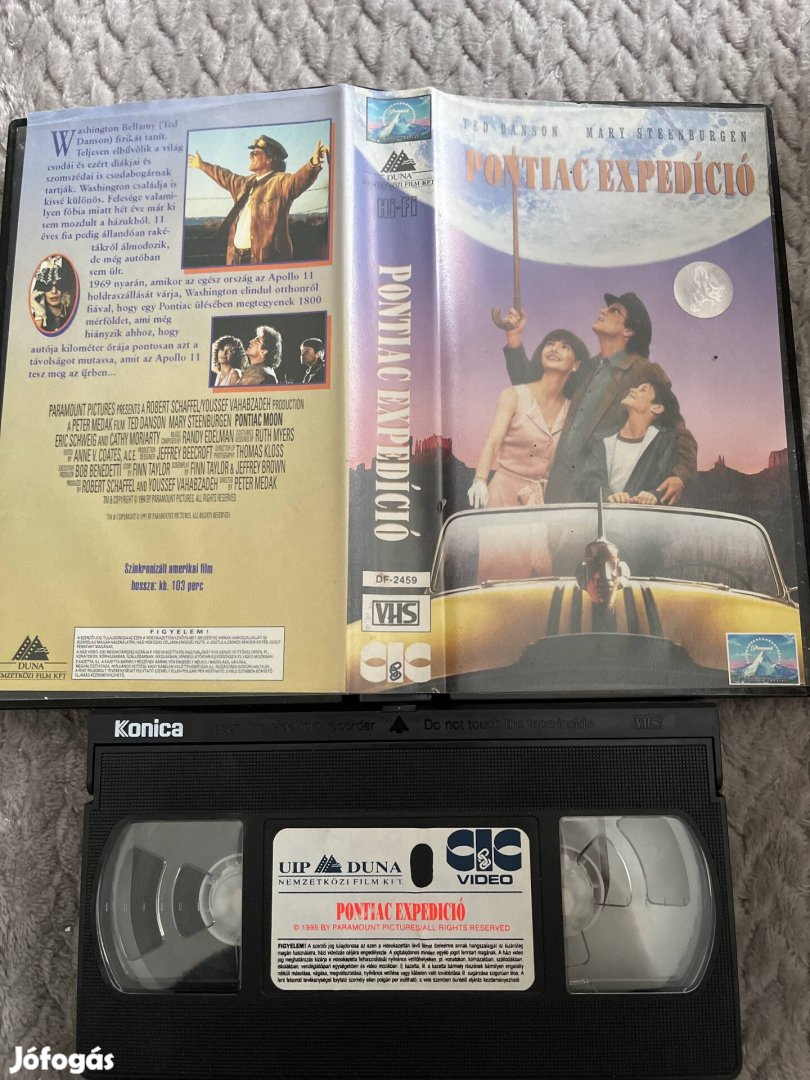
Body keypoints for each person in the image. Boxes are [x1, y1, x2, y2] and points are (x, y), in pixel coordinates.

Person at [500, 292, 697, 504]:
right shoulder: (585, 367)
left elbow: (678, 431)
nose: (602, 311)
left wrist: (680, 475)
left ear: (629, 330)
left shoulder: (644, 371)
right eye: (606, 308)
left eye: (614, 311)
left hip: (601, 499)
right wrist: (514, 337)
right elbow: (531, 388)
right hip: (557, 492)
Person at [468, 329, 590, 508]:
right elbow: (493, 441)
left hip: (542, 503)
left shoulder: (572, 410)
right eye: (550, 344)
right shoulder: (513, 395)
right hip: (501, 498)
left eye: (565, 347)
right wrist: (480, 479)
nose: (555, 349)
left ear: (576, 365)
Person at [187, 134, 328, 265]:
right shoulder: (244, 183)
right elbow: (225, 175)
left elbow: (298, 180)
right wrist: (202, 165)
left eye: (255, 153)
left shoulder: (281, 182)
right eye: (251, 154)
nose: (250, 157)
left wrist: (313, 164)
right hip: (235, 259)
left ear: (269, 159)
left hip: (264, 260)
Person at [579, 378, 680, 503]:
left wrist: (652, 495)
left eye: (643, 390)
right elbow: (589, 480)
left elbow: (665, 484)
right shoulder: (602, 440)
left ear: (657, 408)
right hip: (606, 513)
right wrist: (607, 496)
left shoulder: (664, 440)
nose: (632, 389)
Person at [30, 257, 75, 332]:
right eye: (48, 287)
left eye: (58, 286)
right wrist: (40, 315)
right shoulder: (35, 318)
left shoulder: (73, 315)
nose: (54, 291)